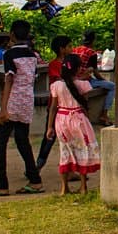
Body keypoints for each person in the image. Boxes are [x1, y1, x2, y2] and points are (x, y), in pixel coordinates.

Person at [0, 19, 45, 196]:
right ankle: (35, 180)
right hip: (27, 100)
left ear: (12, 35)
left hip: (13, 100)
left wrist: (3, 108)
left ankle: (1, 184)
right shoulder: (33, 55)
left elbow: (9, 80)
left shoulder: (9, 54)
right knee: (22, 140)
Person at [46, 54, 101, 194]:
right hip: (78, 119)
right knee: (82, 150)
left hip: (61, 120)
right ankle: (83, 186)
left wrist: (50, 127)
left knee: (65, 151)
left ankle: (64, 188)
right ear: (78, 69)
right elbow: (85, 103)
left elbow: (53, 107)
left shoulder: (56, 85)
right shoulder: (83, 85)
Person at [37, 35, 73, 170]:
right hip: (57, 105)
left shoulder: (69, 63)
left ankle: (70, 167)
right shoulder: (54, 64)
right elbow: (60, 79)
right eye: (69, 46)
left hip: (68, 106)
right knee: (49, 136)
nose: (71, 49)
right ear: (62, 49)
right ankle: (39, 164)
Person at [73, 30, 115, 126]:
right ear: (93, 40)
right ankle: (104, 114)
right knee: (112, 86)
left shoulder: (75, 50)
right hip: (85, 81)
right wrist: (104, 80)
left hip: (74, 79)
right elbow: (96, 74)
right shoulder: (91, 53)